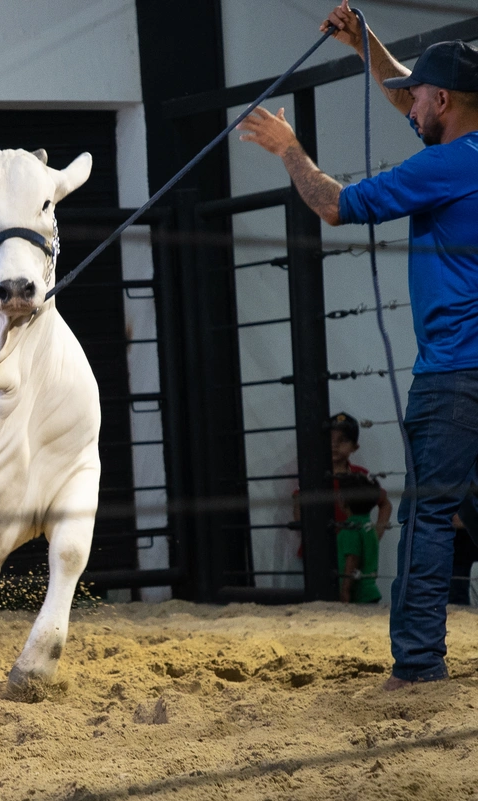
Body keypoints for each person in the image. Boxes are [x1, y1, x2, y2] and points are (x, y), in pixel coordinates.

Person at [238, 0, 478, 690]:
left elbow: (335, 204)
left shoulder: (443, 166)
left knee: (432, 514)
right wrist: (364, 44)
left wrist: (289, 150)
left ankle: (419, 665)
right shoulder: (464, 143)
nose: (411, 104)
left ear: (443, 100)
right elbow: (410, 87)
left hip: (455, 374)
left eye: (420, 96)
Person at [292, 412, 393, 546]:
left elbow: (385, 504)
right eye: (329, 438)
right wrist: (310, 539)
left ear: (355, 447)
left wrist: (374, 536)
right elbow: (299, 503)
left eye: (343, 440)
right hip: (318, 551)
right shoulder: (312, 474)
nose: (334, 445)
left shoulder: (360, 475)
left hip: (352, 549)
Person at [334, 472, 384, 604]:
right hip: (370, 591)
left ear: (343, 501)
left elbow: (352, 559)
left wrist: (345, 591)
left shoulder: (350, 528)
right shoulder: (369, 525)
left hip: (357, 595)